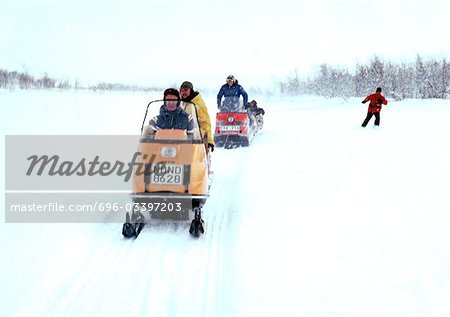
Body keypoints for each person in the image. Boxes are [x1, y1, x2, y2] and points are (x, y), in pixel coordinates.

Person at [179, 81, 214, 152]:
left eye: (186, 90)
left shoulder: (197, 104)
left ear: (191, 90)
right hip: (182, 136)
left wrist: (209, 140)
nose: (183, 93)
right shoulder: (182, 103)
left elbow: (205, 122)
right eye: (182, 91)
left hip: (196, 138)